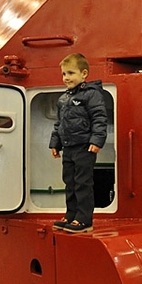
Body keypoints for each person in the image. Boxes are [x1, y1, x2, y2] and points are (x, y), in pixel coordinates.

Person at [49, 53, 107, 233]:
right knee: (70, 182)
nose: (66, 78)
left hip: (84, 147)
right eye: (64, 74)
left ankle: (84, 219)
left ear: (84, 74)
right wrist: (55, 143)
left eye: (71, 73)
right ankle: (71, 214)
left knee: (83, 183)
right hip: (68, 147)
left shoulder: (91, 94)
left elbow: (99, 118)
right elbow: (59, 123)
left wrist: (96, 141)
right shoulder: (63, 99)